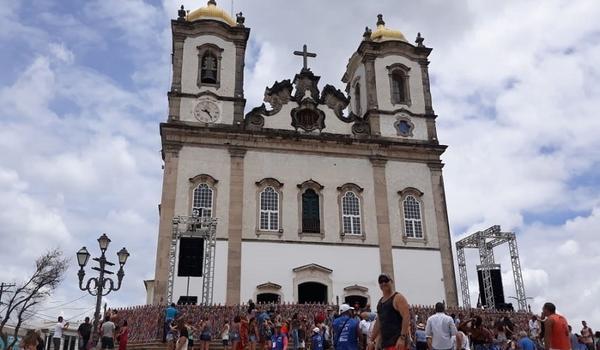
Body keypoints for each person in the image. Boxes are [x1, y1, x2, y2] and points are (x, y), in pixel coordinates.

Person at [368, 274, 410, 350]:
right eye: (381, 281)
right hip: (386, 344)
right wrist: (371, 340)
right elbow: (378, 322)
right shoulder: (380, 302)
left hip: (397, 344)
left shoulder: (398, 298)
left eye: (386, 280)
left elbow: (406, 317)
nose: (383, 283)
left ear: (391, 282)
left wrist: (402, 338)